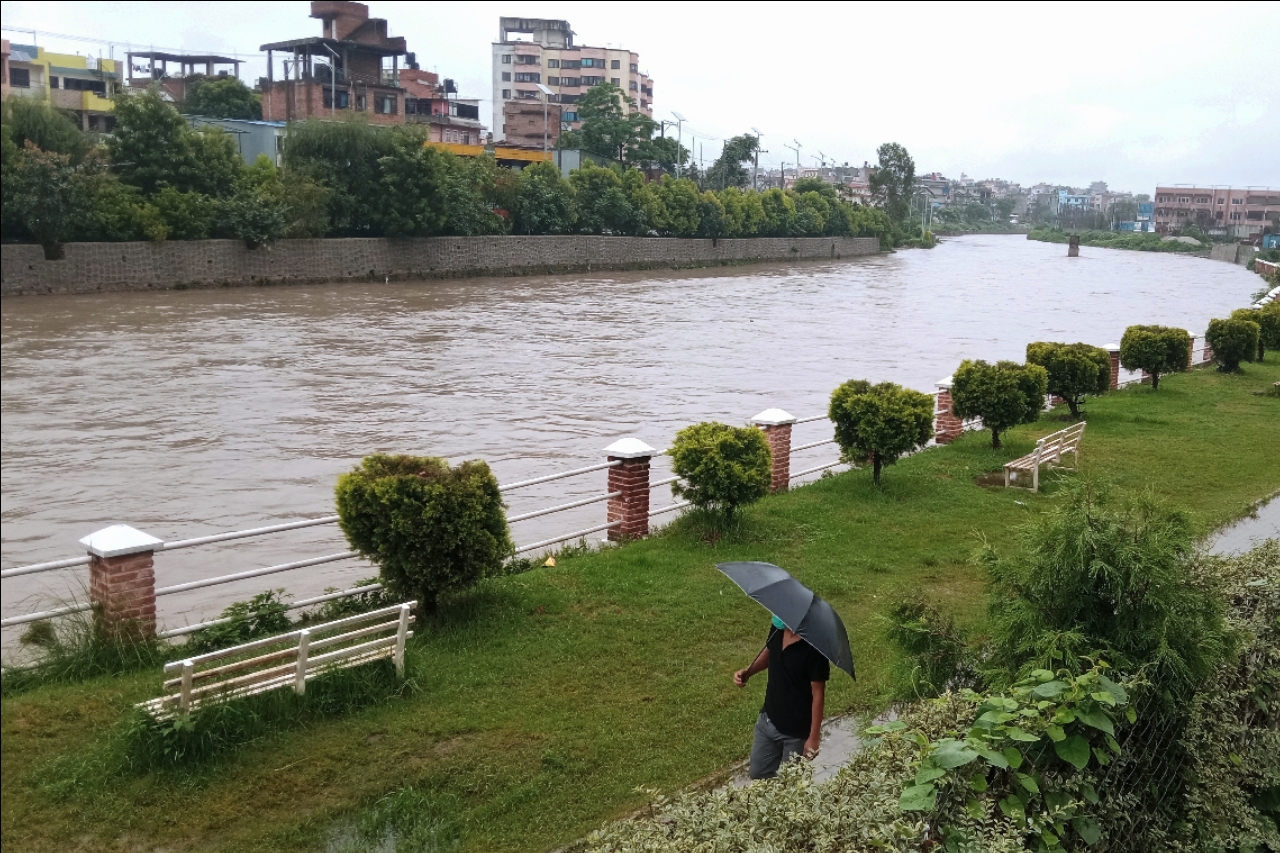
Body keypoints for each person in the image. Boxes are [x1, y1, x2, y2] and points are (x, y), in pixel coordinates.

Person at [734, 614, 830, 779]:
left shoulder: (815, 648)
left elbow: (818, 695)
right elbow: (769, 653)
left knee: (789, 783)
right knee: (758, 774)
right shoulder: (778, 629)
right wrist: (748, 672)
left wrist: (814, 738)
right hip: (768, 719)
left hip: (795, 733)